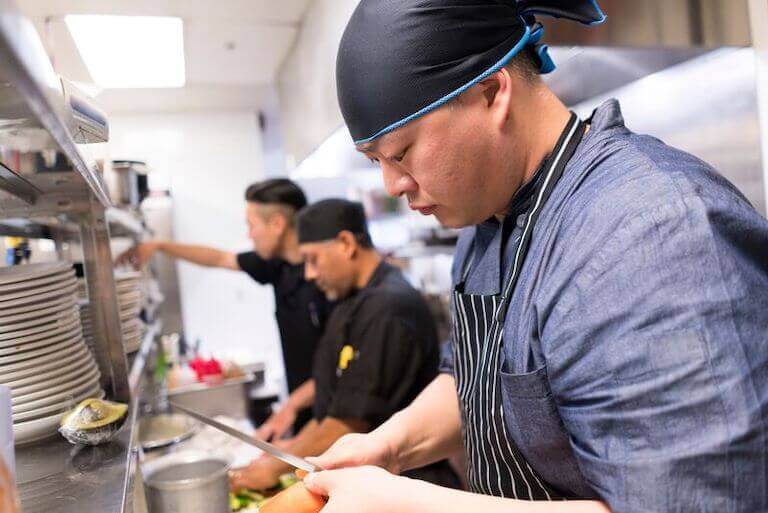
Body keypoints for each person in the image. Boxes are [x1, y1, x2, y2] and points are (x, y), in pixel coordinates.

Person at [298, 2, 768, 513]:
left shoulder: (652, 231)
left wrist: (409, 505)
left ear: (493, 92)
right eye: (375, 162)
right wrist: (387, 446)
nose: (392, 185)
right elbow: (477, 379)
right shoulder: (484, 222)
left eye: (402, 152)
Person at [229, 199, 460, 491]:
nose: (309, 274)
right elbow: (335, 405)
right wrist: (291, 445)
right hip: (367, 483)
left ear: (346, 243)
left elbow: (350, 421)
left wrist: (277, 465)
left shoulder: (388, 307)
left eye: (313, 259)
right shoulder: (351, 299)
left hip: (406, 486)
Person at [117, 179, 329, 435]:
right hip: (304, 411)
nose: (249, 234)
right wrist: (160, 246)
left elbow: (341, 367)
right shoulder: (278, 265)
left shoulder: (328, 280)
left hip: (335, 417)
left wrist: (291, 407)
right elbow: (219, 258)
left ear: (277, 224)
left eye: (251, 225)